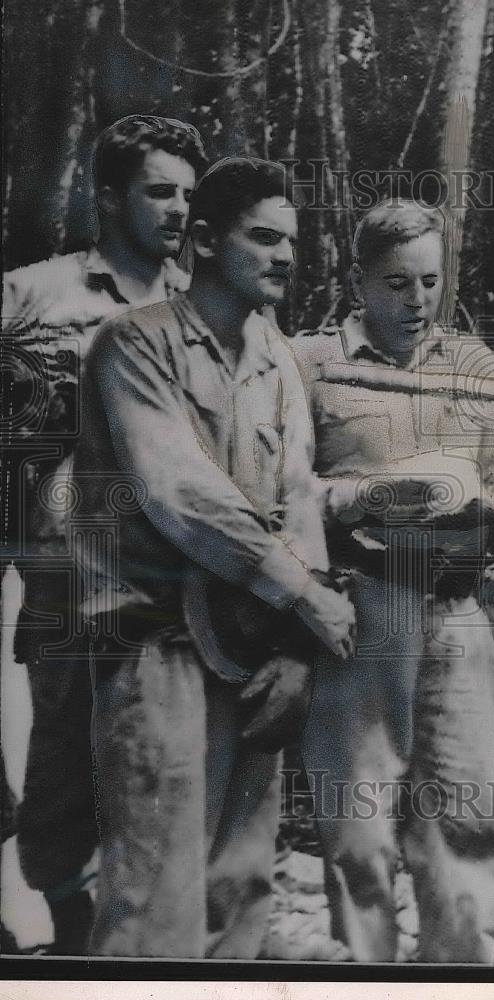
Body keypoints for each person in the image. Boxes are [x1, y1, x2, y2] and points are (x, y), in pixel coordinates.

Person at [70, 156, 356, 958]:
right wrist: (304, 596)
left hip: (252, 650)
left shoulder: (278, 362)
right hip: (154, 644)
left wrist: (300, 650)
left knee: (242, 892)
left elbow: (299, 496)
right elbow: (179, 493)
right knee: (155, 899)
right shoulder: (131, 346)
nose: (284, 257)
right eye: (262, 238)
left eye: (292, 242)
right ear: (201, 240)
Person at [294, 198, 494, 963]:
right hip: (362, 607)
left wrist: (488, 499)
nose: (417, 300)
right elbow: (281, 486)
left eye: (430, 282)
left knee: (469, 813)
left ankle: (474, 975)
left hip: (455, 606)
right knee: (360, 829)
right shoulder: (311, 363)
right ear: (359, 280)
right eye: (397, 283)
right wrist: (361, 496)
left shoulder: (470, 362)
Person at [1, 114, 208, 953]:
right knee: (56, 766)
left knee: (157, 769)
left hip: (170, 582)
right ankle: (66, 923)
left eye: (190, 195)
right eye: (160, 190)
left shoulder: (200, 310)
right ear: (110, 195)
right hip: (55, 570)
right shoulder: (31, 295)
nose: (179, 211)